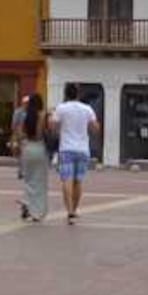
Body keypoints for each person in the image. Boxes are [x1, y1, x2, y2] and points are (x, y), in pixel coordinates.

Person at [49, 84, 99, 225]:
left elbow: (52, 126)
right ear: (78, 94)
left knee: (67, 180)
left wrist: (57, 128)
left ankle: (70, 211)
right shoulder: (87, 109)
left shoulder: (61, 108)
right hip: (83, 149)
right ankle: (75, 209)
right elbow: (95, 128)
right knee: (78, 181)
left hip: (66, 148)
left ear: (66, 94)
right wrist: (87, 130)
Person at [17, 93, 49, 222]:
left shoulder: (25, 116)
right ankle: (37, 212)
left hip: (27, 148)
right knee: (39, 181)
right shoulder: (43, 115)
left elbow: (20, 134)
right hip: (39, 148)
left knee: (28, 179)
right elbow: (42, 133)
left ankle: (26, 202)